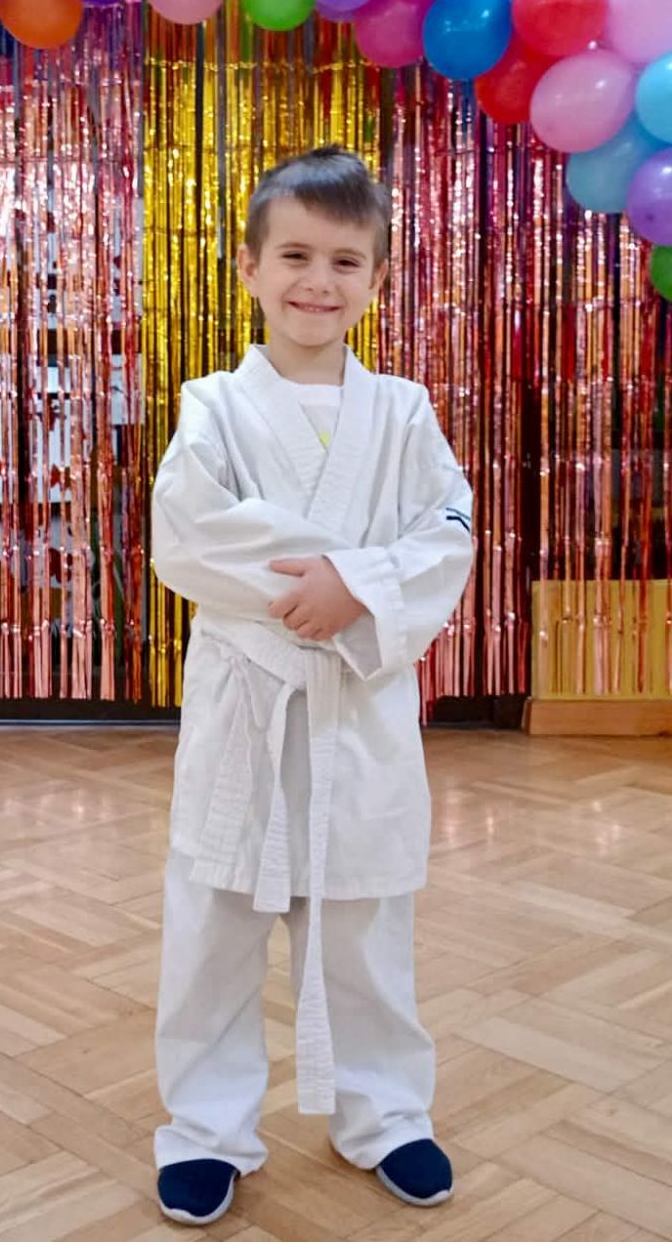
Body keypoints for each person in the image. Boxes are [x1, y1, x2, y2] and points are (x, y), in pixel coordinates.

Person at [149, 146, 475, 1225]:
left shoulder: (404, 413)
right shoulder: (212, 407)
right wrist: (338, 579)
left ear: (375, 280)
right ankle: (206, 1128)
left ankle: (387, 1113)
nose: (317, 281)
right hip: (249, 697)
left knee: (364, 919)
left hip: (356, 703)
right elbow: (188, 534)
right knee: (216, 919)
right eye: (293, 255)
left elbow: (448, 534)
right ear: (249, 267)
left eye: (344, 261)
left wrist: (359, 588)